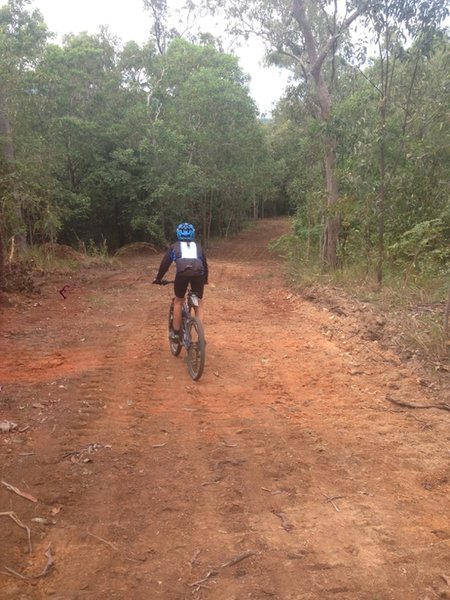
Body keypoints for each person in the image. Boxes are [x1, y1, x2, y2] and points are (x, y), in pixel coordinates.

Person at [153, 222, 208, 342]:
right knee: (198, 303)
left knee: (178, 301)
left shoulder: (174, 246)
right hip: (198, 275)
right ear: (193, 234)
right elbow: (204, 264)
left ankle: (176, 333)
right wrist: (205, 280)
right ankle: (200, 337)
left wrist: (158, 278)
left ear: (178, 234)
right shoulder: (198, 247)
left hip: (182, 275)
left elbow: (165, 264)